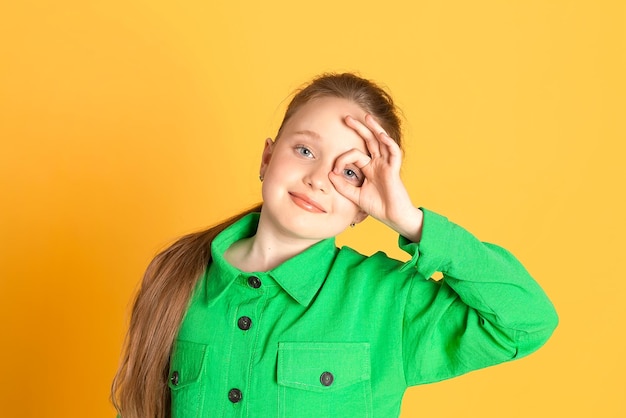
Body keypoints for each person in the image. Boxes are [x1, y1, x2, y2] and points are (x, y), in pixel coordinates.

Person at [111, 73, 558, 418]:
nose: (316, 179)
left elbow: (527, 321)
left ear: (366, 204)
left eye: (349, 173)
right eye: (305, 151)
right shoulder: (177, 277)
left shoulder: (387, 300)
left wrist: (411, 221)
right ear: (267, 158)